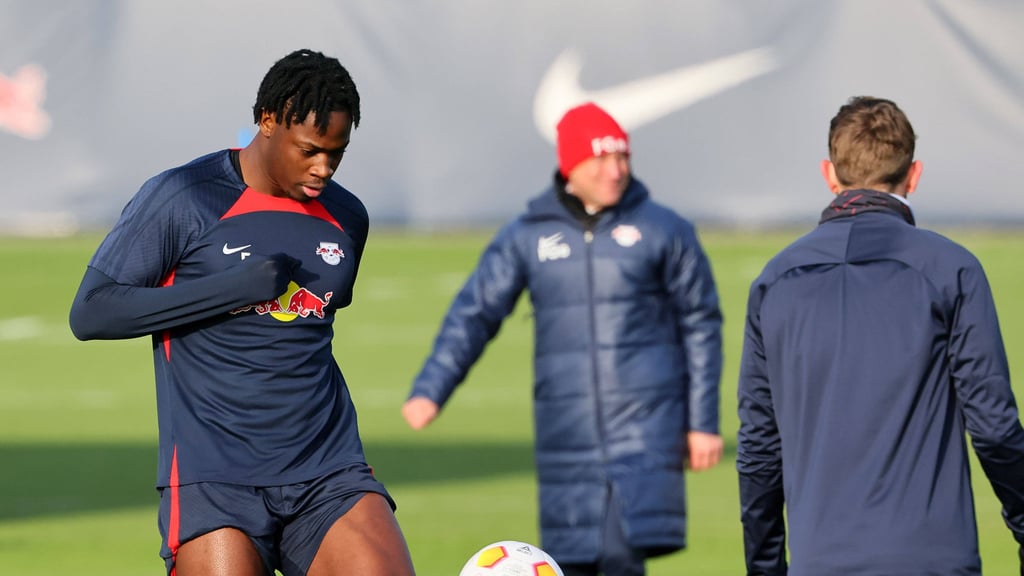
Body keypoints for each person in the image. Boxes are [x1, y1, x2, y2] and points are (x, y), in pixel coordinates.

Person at [68, 49, 416, 576]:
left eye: (336, 153)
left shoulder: (347, 217)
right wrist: (232, 289)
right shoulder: (183, 197)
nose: (323, 168)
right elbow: (91, 313)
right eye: (309, 151)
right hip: (214, 477)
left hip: (328, 468)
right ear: (268, 121)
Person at [402, 102, 724, 576]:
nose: (615, 171)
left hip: (645, 431)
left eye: (623, 158)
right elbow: (475, 312)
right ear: (571, 164)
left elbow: (701, 324)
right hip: (565, 434)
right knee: (568, 560)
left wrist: (702, 422)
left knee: (619, 555)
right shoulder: (527, 235)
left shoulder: (665, 230)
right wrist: (432, 388)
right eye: (601, 159)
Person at [736, 96, 1024, 575]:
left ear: (830, 174)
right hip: (934, 559)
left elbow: (761, 450)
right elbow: (994, 429)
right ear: (914, 175)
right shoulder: (951, 269)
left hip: (821, 562)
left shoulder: (775, 281)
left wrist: (765, 567)